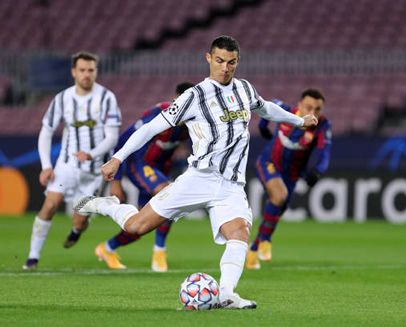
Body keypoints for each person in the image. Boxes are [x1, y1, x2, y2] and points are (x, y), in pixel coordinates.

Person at [73, 35, 318, 309]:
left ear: (238, 62)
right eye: (219, 61)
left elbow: (266, 109)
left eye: (231, 62)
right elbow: (151, 128)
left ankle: (226, 294)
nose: (225, 68)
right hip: (198, 178)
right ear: (209, 59)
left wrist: (298, 121)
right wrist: (117, 159)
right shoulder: (194, 96)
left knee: (240, 232)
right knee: (136, 226)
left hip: (231, 185)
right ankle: (106, 206)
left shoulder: (245, 90)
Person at [23, 51, 122, 270]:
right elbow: (46, 132)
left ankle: (76, 231)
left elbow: (112, 137)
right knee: (49, 205)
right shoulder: (62, 99)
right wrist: (46, 166)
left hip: (94, 170)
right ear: (74, 72)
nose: (87, 75)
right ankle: (32, 258)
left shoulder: (107, 98)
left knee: (79, 219)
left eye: (91, 70)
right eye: (82, 70)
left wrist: (92, 154)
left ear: (96, 72)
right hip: (66, 166)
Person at [95, 82, 194, 272]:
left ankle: (107, 248)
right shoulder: (158, 114)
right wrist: (115, 182)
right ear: (175, 101)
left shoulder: (192, 123)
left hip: (159, 169)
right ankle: (159, 252)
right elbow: (122, 141)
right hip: (139, 164)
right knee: (168, 193)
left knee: (141, 224)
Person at [246, 90, 332, 269]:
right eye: (309, 107)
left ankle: (253, 250)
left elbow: (324, 153)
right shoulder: (285, 111)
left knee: (276, 211)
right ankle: (266, 241)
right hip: (268, 162)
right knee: (279, 196)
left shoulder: (323, 125)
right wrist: (263, 128)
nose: (313, 113)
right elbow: (265, 111)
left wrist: (318, 171)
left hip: (292, 175)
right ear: (299, 105)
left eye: (318, 109)